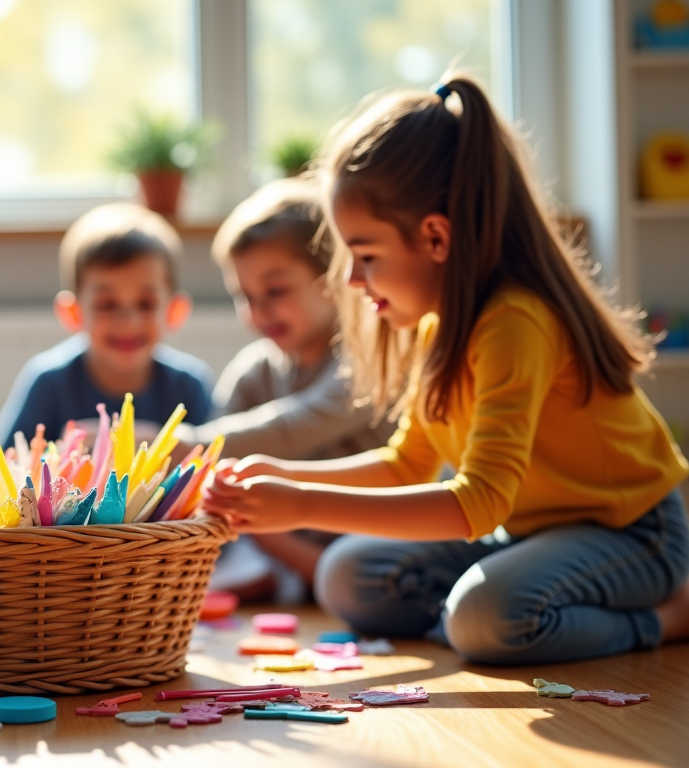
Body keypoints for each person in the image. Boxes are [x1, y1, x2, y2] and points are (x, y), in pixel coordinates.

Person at [203, 73, 689, 665]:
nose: (353, 281)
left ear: (435, 237)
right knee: (346, 574)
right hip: (529, 533)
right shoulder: (437, 326)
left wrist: (300, 503)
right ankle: (497, 618)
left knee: (486, 618)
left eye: (367, 255)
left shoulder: (516, 322)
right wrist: (283, 473)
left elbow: (477, 502)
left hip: (634, 535)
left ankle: (662, 616)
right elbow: (407, 464)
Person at [186, 178, 395, 603]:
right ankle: (292, 577)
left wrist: (181, 444)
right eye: (244, 296)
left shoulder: (366, 359)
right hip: (280, 541)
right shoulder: (253, 372)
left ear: (334, 279)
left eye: (276, 290)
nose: (259, 310)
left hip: (376, 537)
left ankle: (312, 578)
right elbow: (216, 473)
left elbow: (293, 427)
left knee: (365, 565)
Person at [0, 203, 212, 448]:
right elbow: (5, 471)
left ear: (175, 311)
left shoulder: (189, 385)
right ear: (73, 313)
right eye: (107, 304)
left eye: (146, 304)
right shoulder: (48, 382)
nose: (128, 321)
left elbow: (209, 467)